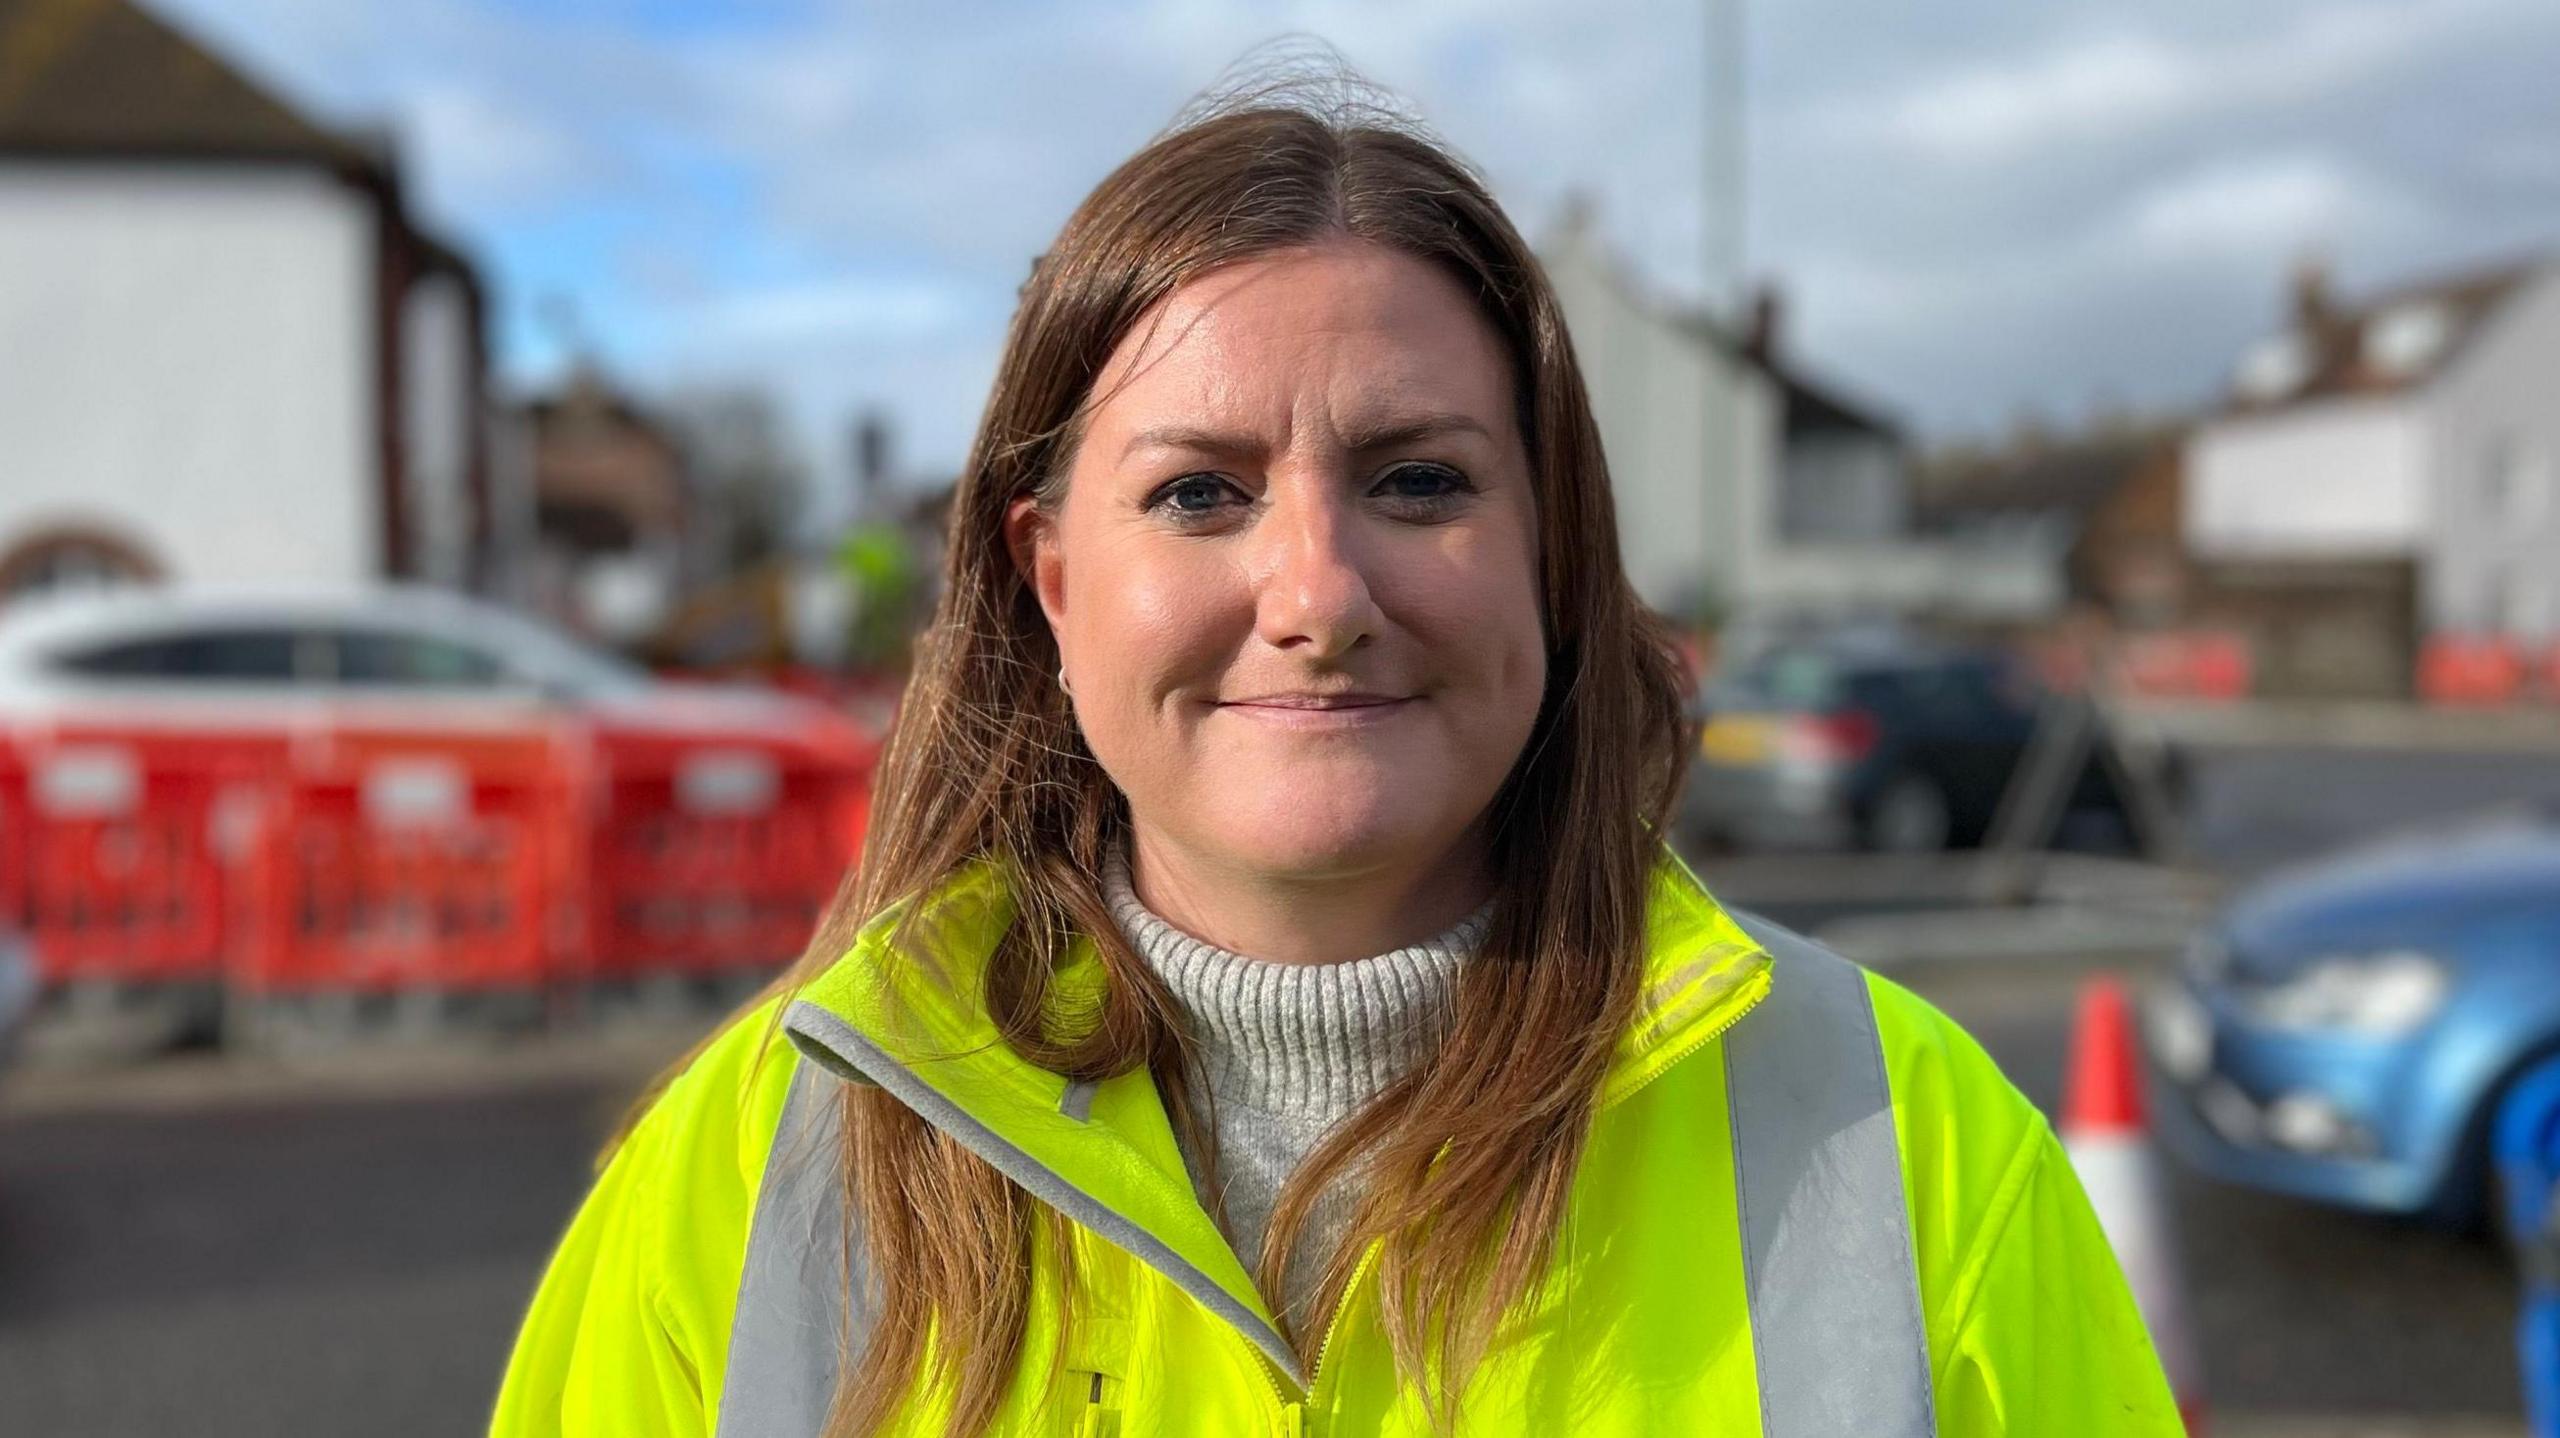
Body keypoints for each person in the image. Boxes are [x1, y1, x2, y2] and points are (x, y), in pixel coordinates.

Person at [492, 92, 2182, 1437]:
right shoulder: (745, 1171)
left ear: (1552, 554)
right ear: (1053, 582)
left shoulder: (1913, 1139)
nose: (1319, 596)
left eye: (1421, 481)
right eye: (1199, 493)